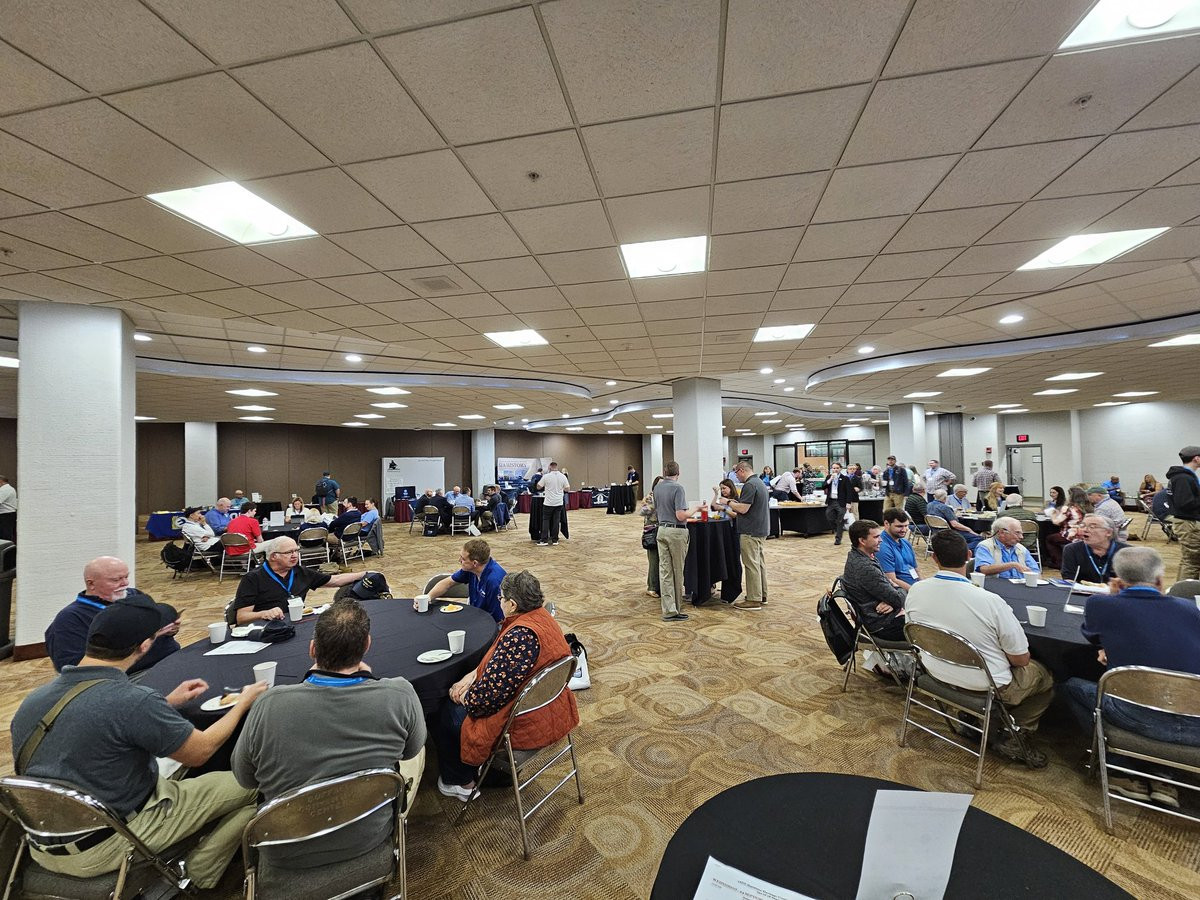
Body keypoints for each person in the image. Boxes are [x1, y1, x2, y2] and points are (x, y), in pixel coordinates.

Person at [10, 602, 268, 889]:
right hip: (109, 841)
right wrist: (244, 702)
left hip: (43, 843)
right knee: (256, 785)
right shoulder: (132, 700)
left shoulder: (33, 700)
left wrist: (166, 703)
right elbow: (201, 751)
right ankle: (199, 873)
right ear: (145, 645)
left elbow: (92, 723)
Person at [232, 599, 426, 868]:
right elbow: (411, 750)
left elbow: (245, 778)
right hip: (370, 838)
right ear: (367, 646)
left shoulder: (268, 705)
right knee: (419, 749)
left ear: (313, 649)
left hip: (284, 854)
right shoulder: (399, 694)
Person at [1064, 547, 1200, 809]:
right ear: (1160, 579)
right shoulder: (1190, 609)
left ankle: (1119, 769)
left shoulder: (1100, 604)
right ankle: (1163, 775)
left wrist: (1115, 598)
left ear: (1118, 577)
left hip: (1136, 715)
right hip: (1195, 723)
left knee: (1071, 686)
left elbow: (1093, 635)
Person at [905, 530, 1053, 767]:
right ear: (968, 556)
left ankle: (972, 719)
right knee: (1045, 677)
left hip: (934, 672)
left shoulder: (915, 590)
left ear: (934, 558)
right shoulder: (990, 601)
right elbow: (1021, 660)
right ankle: (1014, 735)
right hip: (986, 684)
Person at [434, 571, 579, 799]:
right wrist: (474, 674)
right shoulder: (541, 618)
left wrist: (462, 696)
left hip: (525, 722)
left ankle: (459, 781)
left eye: (501, 598)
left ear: (512, 605)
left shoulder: (520, 636)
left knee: (446, 712)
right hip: (551, 707)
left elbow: (484, 702)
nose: (499, 601)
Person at [45, 556, 181, 674]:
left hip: (171, 658)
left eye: (126, 577)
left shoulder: (134, 595)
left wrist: (170, 630)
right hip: (133, 675)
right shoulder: (70, 618)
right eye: (116, 580)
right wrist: (150, 637)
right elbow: (73, 669)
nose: (125, 583)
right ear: (91, 584)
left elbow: (156, 625)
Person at [232, 537, 359, 624]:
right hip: (266, 628)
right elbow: (241, 617)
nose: (294, 555)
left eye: (296, 551)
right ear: (274, 556)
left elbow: (335, 580)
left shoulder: (300, 571)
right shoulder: (253, 578)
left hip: (296, 624)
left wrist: (365, 574)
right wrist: (263, 614)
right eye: (289, 552)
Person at [841, 519, 906, 642]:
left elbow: (894, 596)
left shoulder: (858, 555)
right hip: (883, 625)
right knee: (932, 625)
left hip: (879, 617)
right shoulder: (865, 567)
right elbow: (898, 598)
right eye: (876, 537)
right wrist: (896, 594)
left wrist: (892, 602)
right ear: (862, 541)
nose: (881, 540)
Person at [422, 539, 506, 622]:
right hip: (476, 615)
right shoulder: (471, 570)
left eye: (463, 559)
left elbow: (498, 619)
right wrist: (428, 597)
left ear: (475, 563)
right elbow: (447, 583)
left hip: (489, 622)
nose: (459, 560)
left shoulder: (494, 581)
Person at [727, 459, 769, 611]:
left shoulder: (750, 485)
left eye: (736, 474)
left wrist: (728, 502)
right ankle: (761, 595)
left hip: (750, 530)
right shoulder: (759, 483)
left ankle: (753, 599)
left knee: (751, 565)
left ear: (741, 470)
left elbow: (743, 509)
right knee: (758, 564)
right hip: (760, 529)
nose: (736, 477)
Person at [653, 462, 691, 622]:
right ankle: (676, 608)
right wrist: (695, 510)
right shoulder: (678, 488)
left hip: (662, 530)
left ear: (664, 472)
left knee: (665, 571)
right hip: (676, 532)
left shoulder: (657, 488)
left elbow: (656, 510)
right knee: (677, 570)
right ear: (678, 473)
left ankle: (669, 609)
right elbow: (680, 515)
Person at [1061, 514, 1130, 585]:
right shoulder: (1072, 549)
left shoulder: (1127, 552)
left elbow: (1133, 581)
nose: (1085, 530)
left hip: (1117, 591)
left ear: (1108, 532)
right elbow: (1069, 579)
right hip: (1082, 591)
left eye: (1092, 527)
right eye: (1082, 526)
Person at [1165, 445, 1200, 580]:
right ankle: (1186, 591)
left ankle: (1182, 588)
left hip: (1187, 522)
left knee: (1188, 561)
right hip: (1188, 523)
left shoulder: (1183, 477)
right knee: (1192, 563)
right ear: (1196, 458)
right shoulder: (1183, 478)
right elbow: (1185, 503)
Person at [973, 516, 1041, 578]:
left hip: (1021, 585)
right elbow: (983, 569)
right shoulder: (985, 546)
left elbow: (1035, 571)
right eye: (1017, 533)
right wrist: (1012, 565)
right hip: (996, 585)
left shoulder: (1021, 549)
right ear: (1002, 533)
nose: (1021, 537)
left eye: (1021, 533)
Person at [876, 508, 920, 592]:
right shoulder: (882, 547)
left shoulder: (905, 542)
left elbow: (916, 569)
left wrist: (923, 586)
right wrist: (916, 592)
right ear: (886, 524)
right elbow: (892, 580)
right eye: (899, 526)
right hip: (902, 592)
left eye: (906, 526)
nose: (904, 530)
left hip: (915, 586)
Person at [1045, 486, 1087, 569]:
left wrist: (1053, 514)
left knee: (1049, 539)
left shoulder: (1068, 508)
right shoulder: (1085, 508)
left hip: (1070, 535)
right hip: (1082, 534)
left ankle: (1059, 562)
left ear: (1071, 497)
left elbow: (1056, 522)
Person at [537, 461, 570, 546]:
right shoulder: (563, 476)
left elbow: (538, 486)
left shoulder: (546, 476)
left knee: (546, 520)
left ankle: (544, 540)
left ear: (550, 467)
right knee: (556, 521)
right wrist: (560, 489)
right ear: (557, 467)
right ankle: (555, 540)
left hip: (548, 502)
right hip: (559, 502)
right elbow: (567, 489)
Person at [640, 476, 663, 600]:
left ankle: (658, 586)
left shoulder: (663, 496)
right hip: (652, 532)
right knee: (654, 560)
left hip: (662, 530)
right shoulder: (651, 497)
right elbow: (643, 512)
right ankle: (652, 587)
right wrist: (652, 503)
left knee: (661, 560)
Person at [824, 462, 854, 546]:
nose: (835, 469)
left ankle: (838, 538)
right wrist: (830, 480)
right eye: (834, 468)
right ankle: (838, 528)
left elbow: (849, 491)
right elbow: (823, 486)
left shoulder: (845, 478)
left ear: (840, 469)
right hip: (831, 501)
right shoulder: (829, 477)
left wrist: (848, 503)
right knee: (829, 516)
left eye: (837, 468)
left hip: (841, 502)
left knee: (840, 520)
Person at [0, 474, 16, 543]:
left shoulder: (4, 489)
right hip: (8, 515)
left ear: (0, 481)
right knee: (5, 535)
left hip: (5, 515)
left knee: (4, 536)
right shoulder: (9, 488)